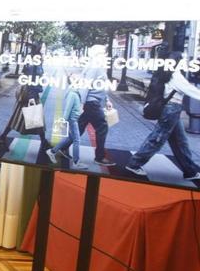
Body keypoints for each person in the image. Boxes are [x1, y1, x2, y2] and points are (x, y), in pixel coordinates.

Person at [126, 49, 200, 180]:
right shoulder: (175, 75)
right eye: (182, 60)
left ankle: (191, 171)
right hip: (171, 109)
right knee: (157, 139)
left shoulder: (166, 73)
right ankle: (134, 163)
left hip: (172, 110)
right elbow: (190, 90)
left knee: (180, 141)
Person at [0, 47, 52, 153]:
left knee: (23, 118)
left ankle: (43, 141)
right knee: (32, 119)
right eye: (43, 50)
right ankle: (2, 137)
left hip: (32, 94)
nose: (44, 52)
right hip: (30, 95)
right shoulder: (33, 66)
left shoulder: (37, 64)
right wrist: (31, 98)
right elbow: (30, 82)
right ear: (37, 54)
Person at [77, 45, 116, 166]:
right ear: (97, 54)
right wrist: (81, 103)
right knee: (102, 127)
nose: (105, 55)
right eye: (103, 53)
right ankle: (99, 157)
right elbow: (86, 85)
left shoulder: (98, 66)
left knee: (78, 129)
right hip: (91, 103)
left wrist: (107, 100)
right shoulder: (94, 66)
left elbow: (100, 85)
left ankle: (58, 149)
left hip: (92, 102)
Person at [46, 75, 85, 170]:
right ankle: (76, 162)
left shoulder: (75, 92)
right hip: (72, 120)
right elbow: (67, 109)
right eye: (75, 78)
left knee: (70, 138)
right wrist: (63, 120)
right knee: (77, 140)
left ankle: (52, 151)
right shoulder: (72, 93)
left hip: (74, 118)